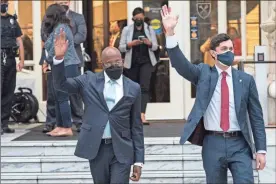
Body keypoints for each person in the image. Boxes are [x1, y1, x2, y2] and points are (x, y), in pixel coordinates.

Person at [161, 5, 266, 184]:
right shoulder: (204, 74)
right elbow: (181, 65)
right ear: (213, 53)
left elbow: (256, 116)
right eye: (224, 49)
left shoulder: (246, 80)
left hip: (240, 143)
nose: (229, 52)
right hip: (213, 143)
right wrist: (170, 33)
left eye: (231, 48)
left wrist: (261, 150)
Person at [52, 29, 144, 184]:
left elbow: (136, 126)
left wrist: (139, 160)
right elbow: (62, 85)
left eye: (118, 62)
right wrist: (59, 59)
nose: (114, 65)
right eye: (109, 63)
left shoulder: (133, 88)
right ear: (102, 64)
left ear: (122, 61)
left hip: (122, 148)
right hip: (97, 147)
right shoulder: (89, 80)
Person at [41, 0, 86, 133]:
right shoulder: (59, 27)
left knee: (63, 97)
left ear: (54, 16)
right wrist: (48, 61)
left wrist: (47, 61)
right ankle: (60, 126)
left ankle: (66, 127)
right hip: (60, 65)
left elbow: (56, 49)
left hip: (67, 65)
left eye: (48, 16)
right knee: (58, 97)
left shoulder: (61, 29)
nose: (46, 19)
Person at [119, 7, 158, 125]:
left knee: (144, 88)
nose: (139, 20)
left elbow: (156, 46)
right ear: (133, 18)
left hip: (146, 62)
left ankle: (142, 115)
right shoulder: (127, 29)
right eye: (136, 18)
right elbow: (121, 47)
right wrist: (130, 44)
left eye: (141, 18)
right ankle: (131, 116)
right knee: (131, 89)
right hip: (132, 63)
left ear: (144, 18)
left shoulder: (150, 29)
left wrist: (149, 43)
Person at [1, 0, 24, 135]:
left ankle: (4, 124)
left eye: (5, 1)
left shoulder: (12, 20)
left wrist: (21, 60)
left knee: (8, 92)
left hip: (10, 58)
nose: (3, 3)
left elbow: (19, 40)